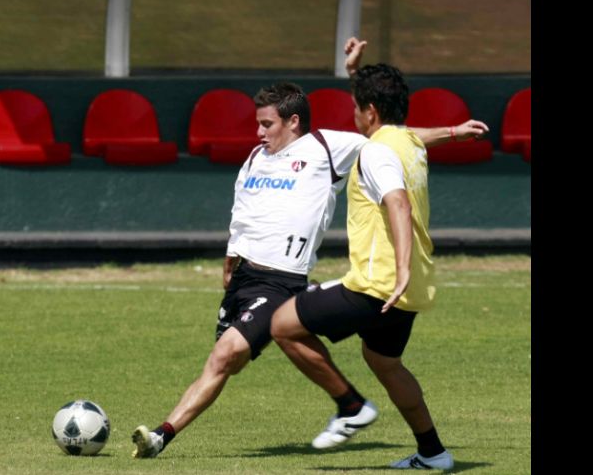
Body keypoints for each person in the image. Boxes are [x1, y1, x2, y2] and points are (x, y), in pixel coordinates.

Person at [131, 40, 488, 460]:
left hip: (294, 281)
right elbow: (243, 210)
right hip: (247, 276)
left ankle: (349, 407)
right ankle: (432, 452)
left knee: (244, 346)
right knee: (370, 363)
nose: (259, 132)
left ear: (293, 121)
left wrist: (451, 132)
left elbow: (394, 138)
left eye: (267, 124)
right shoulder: (254, 158)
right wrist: (232, 254)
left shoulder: (328, 148)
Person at [270, 57, 456, 470]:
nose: (353, 114)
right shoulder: (407, 142)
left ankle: (350, 406)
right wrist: (455, 131)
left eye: (357, 106)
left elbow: (398, 203)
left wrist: (401, 268)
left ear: (369, 112)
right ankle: (433, 453)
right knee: (384, 361)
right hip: (408, 290)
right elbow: (396, 129)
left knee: (282, 325)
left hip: (378, 284)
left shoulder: (375, 152)